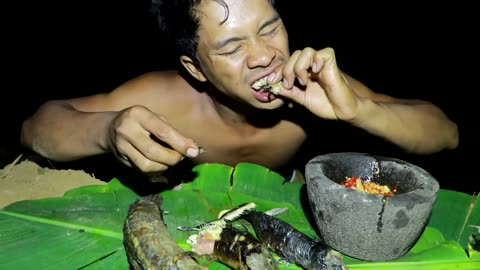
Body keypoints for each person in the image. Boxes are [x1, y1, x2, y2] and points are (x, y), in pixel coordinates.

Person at [20, 0, 458, 183]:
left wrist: (360, 111)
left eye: (270, 29)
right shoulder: (162, 97)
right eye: (231, 47)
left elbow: (446, 133)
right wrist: (106, 130)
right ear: (196, 68)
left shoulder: (310, 86)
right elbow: (36, 128)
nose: (264, 56)